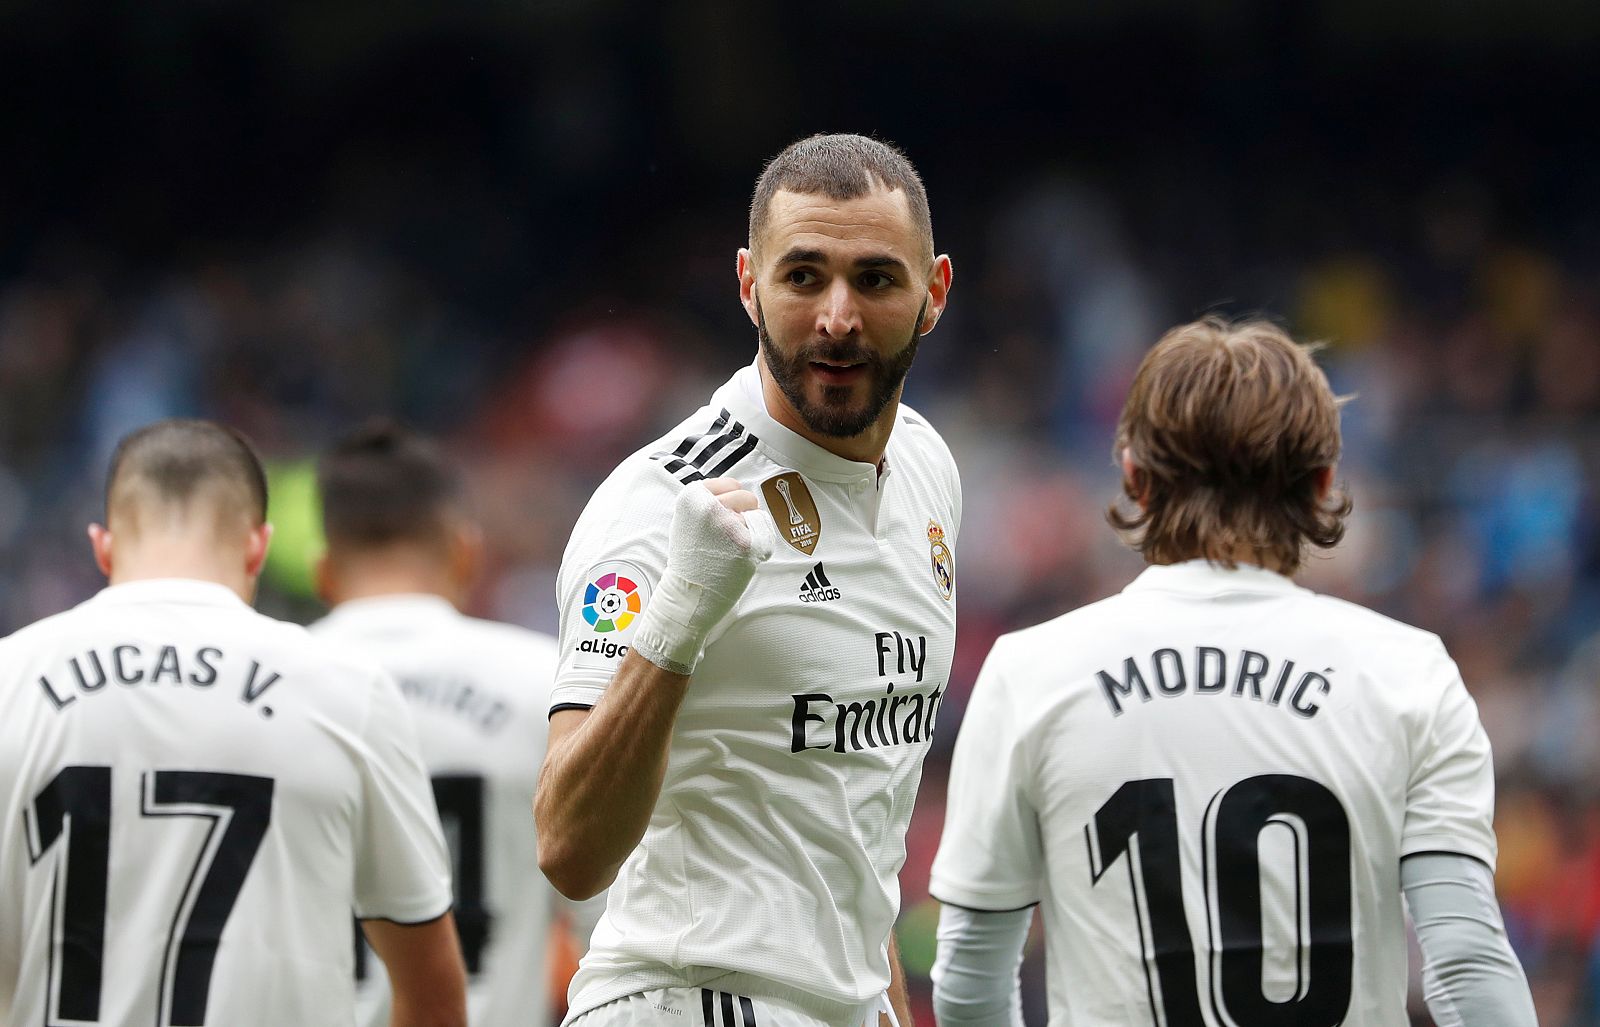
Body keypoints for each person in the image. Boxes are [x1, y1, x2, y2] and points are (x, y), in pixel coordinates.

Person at [928, 318, 1537, 1026]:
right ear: (1323, 482)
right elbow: (1466, 964)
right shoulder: (1409, 672)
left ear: (1133, 475)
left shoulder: (1031, 671)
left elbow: (970, 978)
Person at [535, 132, 958, 1027]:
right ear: (747, 283)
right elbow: (568, 847)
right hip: (684, 998)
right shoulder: (658, 508)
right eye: (803, 276)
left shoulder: (926, 470)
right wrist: (679, 616)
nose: (837, 317)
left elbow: (853, 814)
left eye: (875, 280)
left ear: (934, 294)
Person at [0, 419, 466, 1027]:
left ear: (103, 546)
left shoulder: (11, 677)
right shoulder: (347, 689)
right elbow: (431, 984)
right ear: (259, 546)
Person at [312, 419, 595, 1026]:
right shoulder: (551, 686)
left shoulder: (271, 692)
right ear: (465, 552)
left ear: (324, 570)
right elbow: (611, 931)